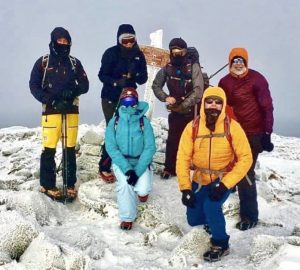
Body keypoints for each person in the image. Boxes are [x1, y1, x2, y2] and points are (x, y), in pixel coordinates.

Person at [176, 86, 252, 262]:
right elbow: (182, 158)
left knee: (211, 206)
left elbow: (246, 158)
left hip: (222, 179)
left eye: (218, 102)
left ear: (223, 105)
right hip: (200, 179)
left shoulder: (232, 127)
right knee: (193, 218)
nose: (213, 105)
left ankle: (221, 243)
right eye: (209, 101)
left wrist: (226, 184)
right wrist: (185, 189)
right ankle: (210, 223)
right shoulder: (192, 127)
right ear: (203, 103)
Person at [29, 27, 89, 201]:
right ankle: (47, 185)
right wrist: (52, 100)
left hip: (71, 110)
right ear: (53, 41)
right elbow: (34, 86)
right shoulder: (43, 62)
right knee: (49, 148)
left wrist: (71, 93)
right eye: (60, 40)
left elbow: (85, 85)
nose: (63, 44)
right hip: (51, 111)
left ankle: (69, 184)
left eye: (66, 41)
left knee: (69, 148)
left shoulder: (74, 63)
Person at [218, 48, 274, 230]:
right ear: (229, 63)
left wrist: (267, 133)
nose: (238, 64)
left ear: (247, 62)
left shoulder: (257, 79)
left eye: (241, 61)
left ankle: (249, 216)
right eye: (235, 61)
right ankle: (230, 190)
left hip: (253, 133)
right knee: (229, 164)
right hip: (233, 132)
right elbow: (220, 105)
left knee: (245, 172)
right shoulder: (224, 82)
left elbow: (267, 107)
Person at [98, 24, 148, 183]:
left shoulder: (139, 55)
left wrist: (136, 73)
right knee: (113, 129)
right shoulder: (111, 53)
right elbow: (102, 75)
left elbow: (143, 79)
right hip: (110, 97)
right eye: (124, 41)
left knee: (129, 129)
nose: (128, 44)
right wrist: (116, 82)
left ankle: (128, 164)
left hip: (129, 97)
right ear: (119, 40)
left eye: (131, 40)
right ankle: (104, 165)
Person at [152, 38, 204, 179]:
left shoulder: (193, 67)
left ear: (185, 51)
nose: (176, 54)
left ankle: (192, 168)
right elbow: (156, 85)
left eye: (180, 52)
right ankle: (169, 168)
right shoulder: (167, 68)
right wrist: (166, 97)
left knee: (193, 140)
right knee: (173, 139)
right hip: (176, 111)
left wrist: (183, 104)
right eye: (173, 52)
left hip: (192, 111)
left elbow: (198, 90)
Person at [105, 87, 156, 230]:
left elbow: (150, 147)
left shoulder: (143, 122)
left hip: (140, 160)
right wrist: (128, 171)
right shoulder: (114, 122)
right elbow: (111, 148)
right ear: (121, 102)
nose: (128, 104)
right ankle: (127, 217)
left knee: (143, 189)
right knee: (126, 185)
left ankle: (143, 191)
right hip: (122, 162)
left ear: (136, 102)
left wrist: (137, 171)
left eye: (131, 100)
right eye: (125, 101)